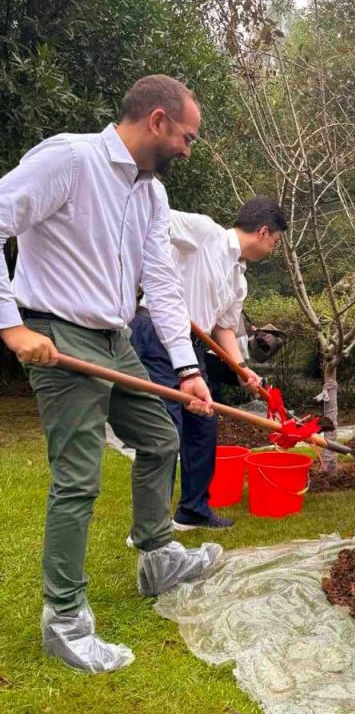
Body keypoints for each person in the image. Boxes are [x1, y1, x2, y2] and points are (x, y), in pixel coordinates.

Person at [0, 74, 224, 673]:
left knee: (160, 437)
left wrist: (186, 368)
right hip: (59, 332)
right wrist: (12, 327)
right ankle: (65, 619)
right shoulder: (69, 160)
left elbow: (163, 284)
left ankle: (157, 558)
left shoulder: (150, 194)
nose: (187, 148)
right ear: (157, 120)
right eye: (187, 136)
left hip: (115, 337)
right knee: (78, 478)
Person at [129, 198, 287, 531]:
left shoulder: (238, 279)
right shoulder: (203, 231)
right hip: (156, 333)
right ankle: (151, 526)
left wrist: (241, 369)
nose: (273, 249)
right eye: (275, 242)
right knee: (165, 429)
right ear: (262, 232)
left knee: (203, 425)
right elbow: (149, 216)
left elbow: (224, 328)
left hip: (195, 347)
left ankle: (192, 510)